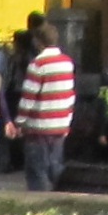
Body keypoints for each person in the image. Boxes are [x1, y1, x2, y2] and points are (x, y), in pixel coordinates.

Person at [12, 18, 75, 191]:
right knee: (55, 167)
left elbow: (28, 97)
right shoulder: (67, 62)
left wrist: (19, 123)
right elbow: (70, 94)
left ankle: (41, 201)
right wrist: (67, 120)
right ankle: (60, 196)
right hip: (60, 124)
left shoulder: (37, 64)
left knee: (37, 170)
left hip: (38, 126)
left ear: (37, 41)